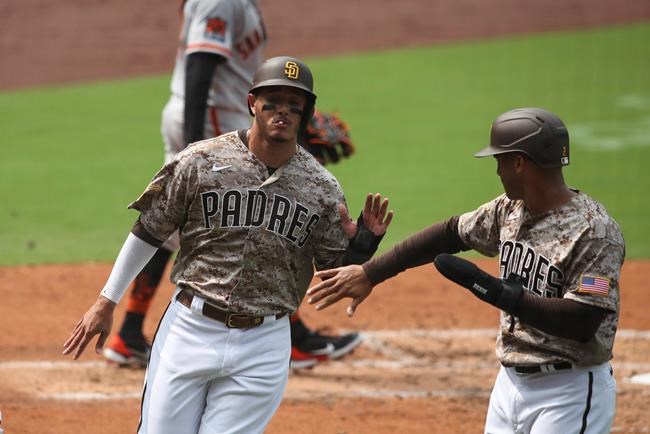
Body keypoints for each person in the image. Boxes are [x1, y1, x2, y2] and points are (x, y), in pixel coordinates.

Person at [63, 56, 393, 434]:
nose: (282, 111)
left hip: (264, 344)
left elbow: (332, 271)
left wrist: (363, 248)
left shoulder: (322, 188)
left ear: (307, 112)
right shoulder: (200, 161)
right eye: (273, 102)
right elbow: (149, 230)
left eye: (293, 104)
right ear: (253, 103)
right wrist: (107, 302)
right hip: (190, 329)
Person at [307, 107, 624, 433]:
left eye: (499, 160)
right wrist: (371, 273)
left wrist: (497, 292)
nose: (497, 171)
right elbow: (449, 233)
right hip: (510, 384)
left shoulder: (595, 231)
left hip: (569, 391)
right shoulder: (510, 209)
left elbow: (584, 320)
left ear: (519, 163)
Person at [102, 0, 362, 370]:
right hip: (212, 119)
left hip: (220, 116)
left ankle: (128, 332)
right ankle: (294, 336)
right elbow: (200, 66)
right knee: (255, 212)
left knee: (190, 224)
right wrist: (195, 147)